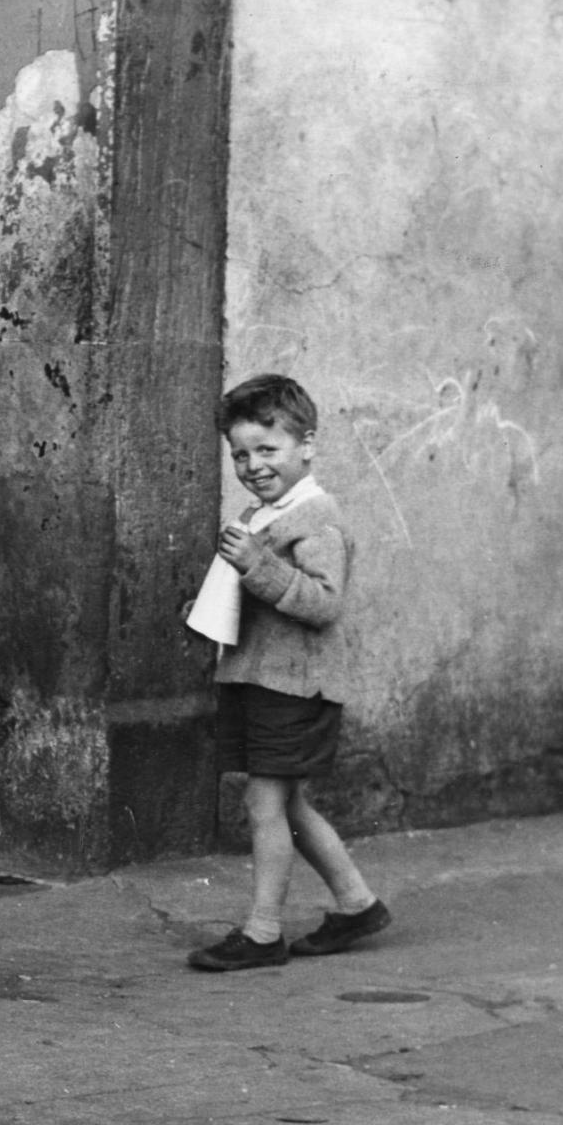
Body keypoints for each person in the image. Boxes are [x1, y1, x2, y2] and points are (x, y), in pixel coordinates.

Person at [186, 374, 391, 971]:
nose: (252, 465)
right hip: (264, 681)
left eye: (266, 450)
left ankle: (263, 932)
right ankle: (357, 904)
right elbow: (259, 597)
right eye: (240, 454)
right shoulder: (264, 513)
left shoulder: (317, 518)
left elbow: (324, 603)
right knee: (290, 805)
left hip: (296, 687)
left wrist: (257, 568)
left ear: (308, 446)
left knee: (264, 804)